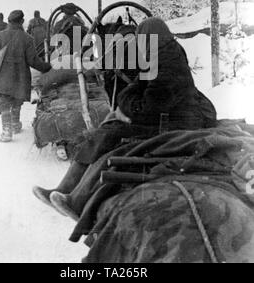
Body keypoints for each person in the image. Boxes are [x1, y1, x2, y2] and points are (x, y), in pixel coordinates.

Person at [33, 17, 217, 218]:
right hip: (169, 118)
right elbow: (140, 88)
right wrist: (127, 100)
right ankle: (67, 190)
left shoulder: (166, 62)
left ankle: (76, 199)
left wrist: (126, 104)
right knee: (107, 130)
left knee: (109, 138)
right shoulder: (162, 55)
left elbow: (150, 106)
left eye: (140, 38)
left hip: (173, 124)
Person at [0, 10, 51, 142]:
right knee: (17, 100)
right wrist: (47, 67)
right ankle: (15, 124)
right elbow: (33, 61)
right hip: (20, 77)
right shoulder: (27, 38)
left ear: (9, 21)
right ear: (22, 21)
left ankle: (7, 131)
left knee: (4, 102)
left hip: (2, 77)